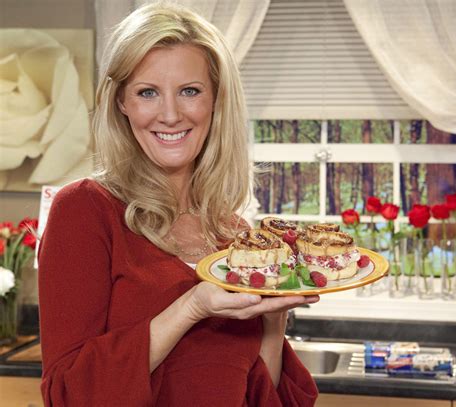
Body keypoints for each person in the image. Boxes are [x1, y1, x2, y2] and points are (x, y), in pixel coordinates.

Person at [38, 2, 319, 406]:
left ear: (215, 99)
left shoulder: (233, 234)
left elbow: (258, 395)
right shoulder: (84, 210)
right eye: (147, 92)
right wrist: (192, 307)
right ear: (122, 102)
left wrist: (274, 319)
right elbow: (68, 393)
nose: (170, 115)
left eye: (190, 91)